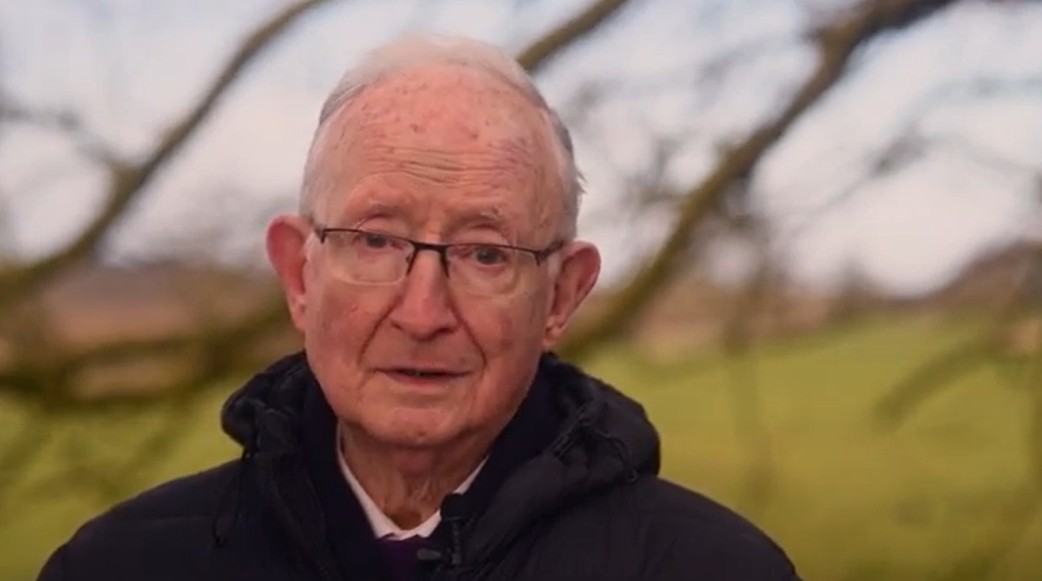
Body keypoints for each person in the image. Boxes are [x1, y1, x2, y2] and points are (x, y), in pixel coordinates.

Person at [37, 34, 799, 581]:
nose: (423, 313)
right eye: (374, 240)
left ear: (562, 295)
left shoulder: (712, 567)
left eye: (486, 252)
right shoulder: (123, 563)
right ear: (300, 276)